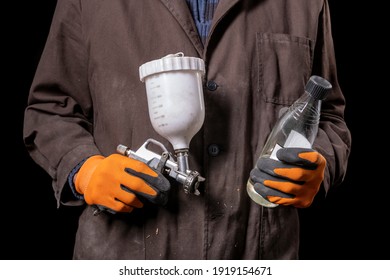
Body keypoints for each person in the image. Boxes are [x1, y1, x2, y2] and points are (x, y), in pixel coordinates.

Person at [23, 0, 351, 260]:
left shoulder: (305, 2)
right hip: (126, 256)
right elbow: (51, 109)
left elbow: (329, 117)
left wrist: (315, 166)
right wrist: (86, 171)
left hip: (255, 256)